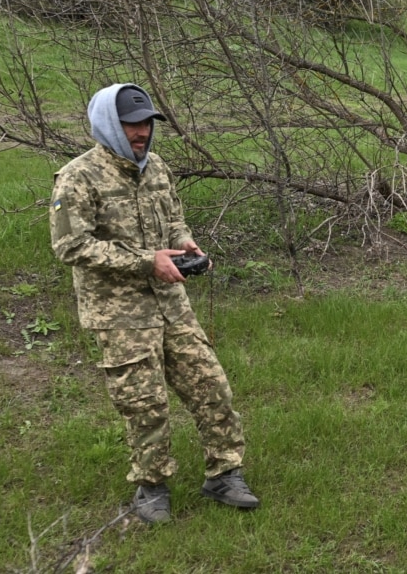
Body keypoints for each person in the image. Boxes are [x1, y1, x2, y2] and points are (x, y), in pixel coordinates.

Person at [49, 83, 259, 523]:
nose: (141, 132)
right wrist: (148, 262)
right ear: (109, 123)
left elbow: (174, 217)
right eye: (131, 124)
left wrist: (183, 243)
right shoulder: (77, 176)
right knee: (144, 404)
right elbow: (71, 247)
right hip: (119, 314)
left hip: (171, 302)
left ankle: (224, 473)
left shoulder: (157, 167)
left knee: (211, 384)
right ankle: (151, 486)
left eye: (145, 123)